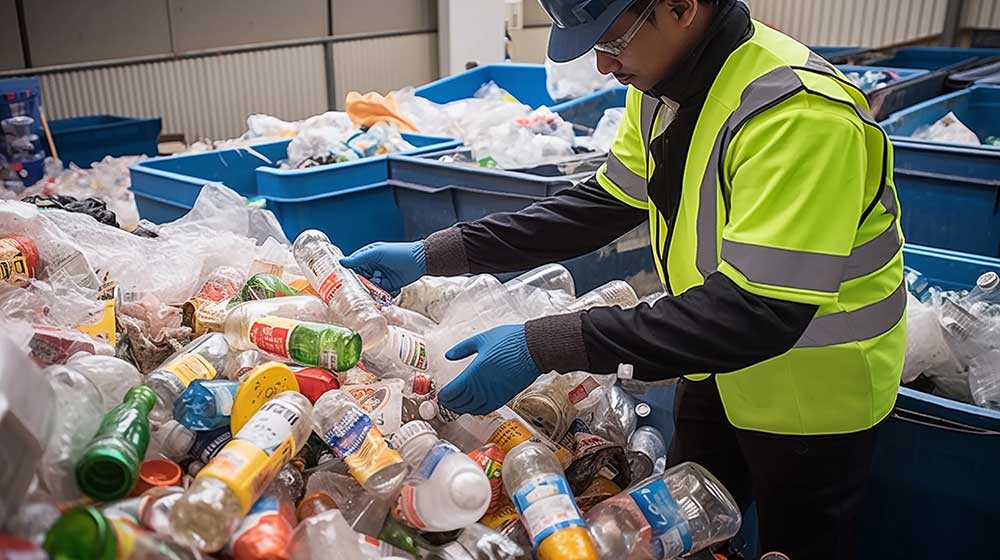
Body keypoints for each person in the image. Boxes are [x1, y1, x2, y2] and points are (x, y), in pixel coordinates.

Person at [341, 1, 905, 558]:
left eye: (611, 42)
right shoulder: (663, 86)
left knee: (798, 544)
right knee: (682, 529)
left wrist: (545, 344)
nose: (605, 67)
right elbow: (603, 204)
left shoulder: (798, 115)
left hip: (810, 394)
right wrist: (437, 252)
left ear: (680, 8)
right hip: (710, 361)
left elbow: (756, 311)